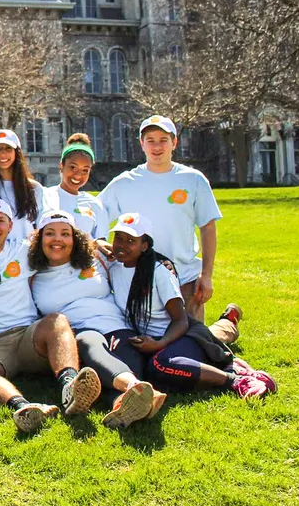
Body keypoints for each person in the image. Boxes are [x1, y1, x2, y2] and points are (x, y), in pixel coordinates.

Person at [0, 198, 101, 433]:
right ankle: (23, 407)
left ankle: (70, 388)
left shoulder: (25, 251)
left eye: (0, 221)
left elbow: (64, 245)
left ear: (11, 225)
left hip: (27, 335)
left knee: (57, 321)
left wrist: (101, 245)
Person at [98, 115, 238, 343]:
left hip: (184, 279)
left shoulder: (193, 180)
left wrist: (207, 275)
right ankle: (227, 323)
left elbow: (207, 227)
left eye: (163, 139)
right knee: (153, 344)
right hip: (140, 280)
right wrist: (100, 239)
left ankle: (227, 326)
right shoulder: (124, 182)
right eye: (150, 140)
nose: (157, 146)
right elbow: (95, 213)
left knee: (193, 343)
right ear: (141, 144)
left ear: (175, 143)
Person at [107, 213, 274, 400]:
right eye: (118, 238)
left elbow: (181, 320)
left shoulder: (159, 272)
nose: (121, 245)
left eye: (131, 240)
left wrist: (160, 343)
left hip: (180, 334)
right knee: (206, 341)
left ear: (145, 246)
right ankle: (228, 322)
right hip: (157, 339)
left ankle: (235, 379)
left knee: (160, 366)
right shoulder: (114, 269)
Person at [29, 210, 164, 428]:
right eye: (49, 233)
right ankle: (134, 387)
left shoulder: (97, 258)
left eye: (65, 233)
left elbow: (133, 260)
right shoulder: (31, 274)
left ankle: (120, 403)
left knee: (123, 364)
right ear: (39, 239)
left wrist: (168, 267)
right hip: (78, 334)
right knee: (90, 343)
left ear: (75, 238)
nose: (57, 239)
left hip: (116, 327)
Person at [0, 129, 45, 243]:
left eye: (8, 148)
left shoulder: (34, 188)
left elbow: (41, 225)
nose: (3, 154)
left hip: (25, 254)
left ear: (16, 152)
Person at [43, 134, 110, 243]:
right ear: (61, 166)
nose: (78, 175)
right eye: (73, 167)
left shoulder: (95, 205)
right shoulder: (44, 196)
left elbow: (101, 244)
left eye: (85, 170)